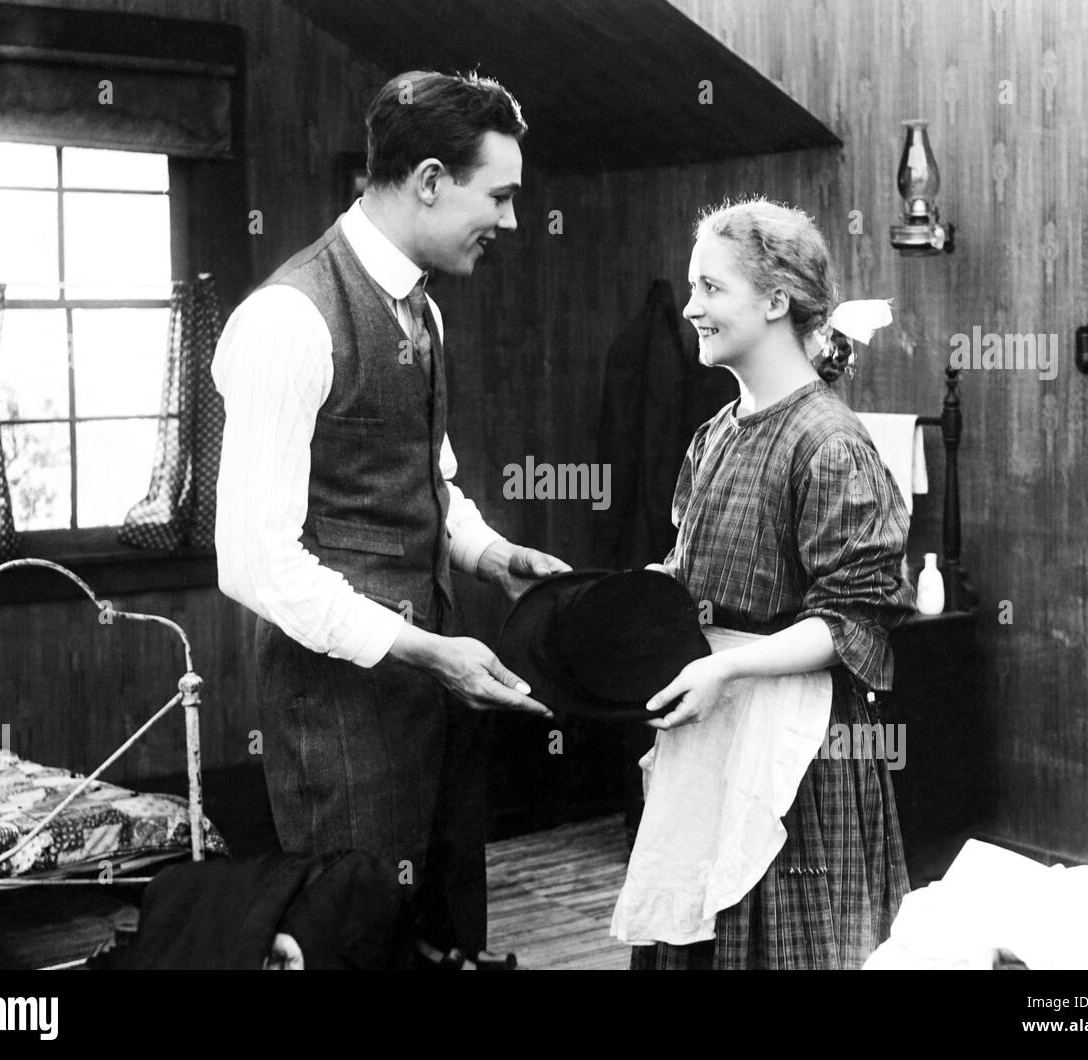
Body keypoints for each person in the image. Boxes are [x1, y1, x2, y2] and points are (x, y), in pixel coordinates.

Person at [212, 70, 569, 963]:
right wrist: (425, 651)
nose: (512, 222)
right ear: (431, 182)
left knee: (447, 939)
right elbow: (254, 563)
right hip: (341, 719)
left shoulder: (425, 312)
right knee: (355, 940)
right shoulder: (288, 320)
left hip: (436, 704)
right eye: (502, 196)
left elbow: (428, 478)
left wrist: (491, 556)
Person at [626, 198, 915, 969]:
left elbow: (854, 620)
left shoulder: (828, 442)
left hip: (798, 749)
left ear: (777, 300)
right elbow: (696, 574)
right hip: (713, 726)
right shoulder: (715, 435)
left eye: (711, 288)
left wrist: (729, 664)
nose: (691, 308)